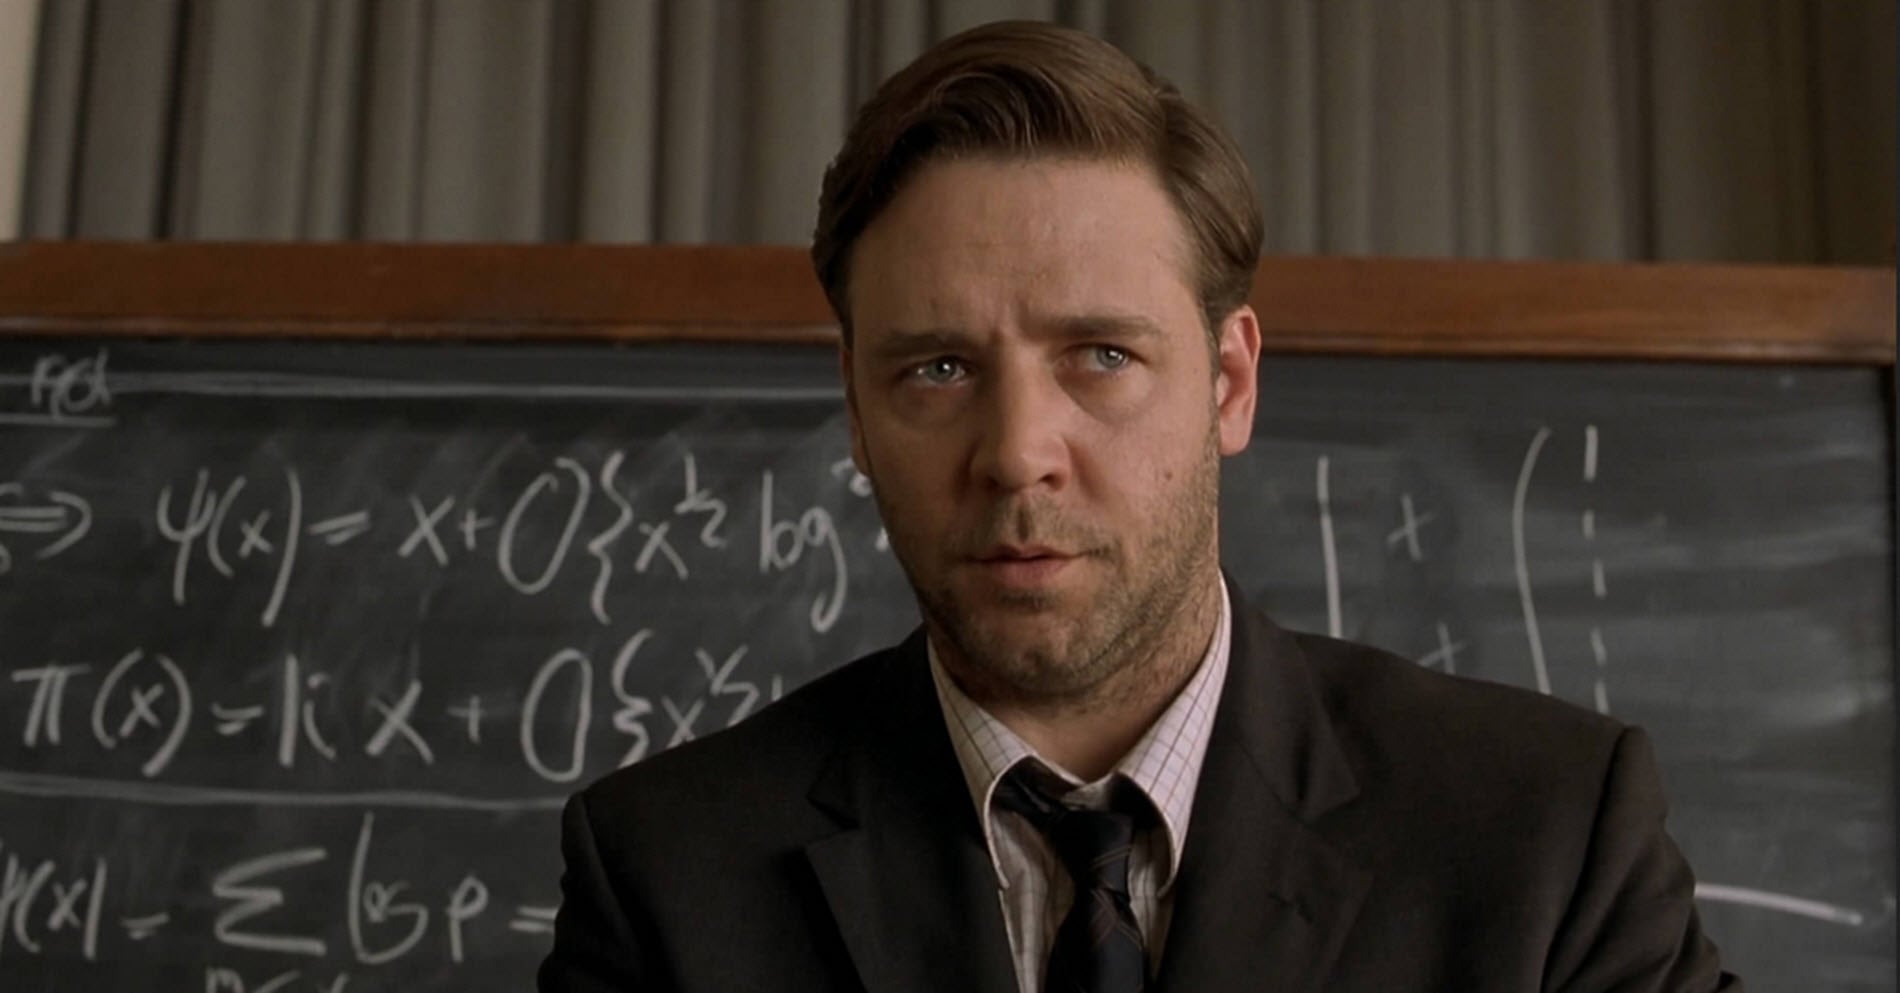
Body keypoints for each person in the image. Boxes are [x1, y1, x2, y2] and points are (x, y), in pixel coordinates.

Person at [539, 20, 1739, 993]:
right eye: (938, 369)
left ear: (1229, 383)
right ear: (856, 409)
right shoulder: (668, 877)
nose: (1017, 454)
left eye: (1101, 356)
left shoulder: (1546, 837)